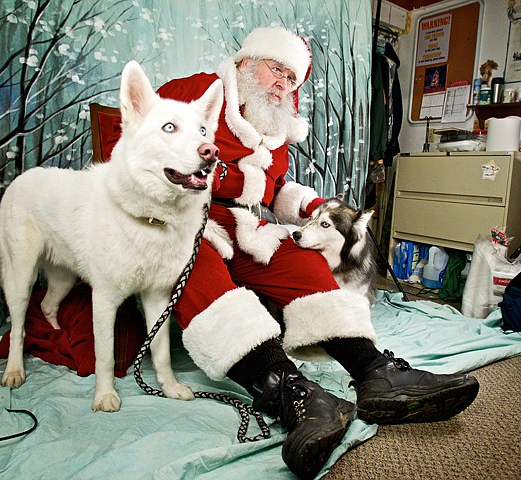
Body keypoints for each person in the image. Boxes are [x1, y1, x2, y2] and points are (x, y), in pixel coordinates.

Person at [157, 26, 479, 479]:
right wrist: (207, 186)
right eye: (276, 69)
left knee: (303, 259)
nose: (282, 85)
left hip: (241, 224)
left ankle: (373, 372)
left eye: (292, 79)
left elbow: (273, 188)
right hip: (183, 219)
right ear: (248, 62)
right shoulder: (196, 91)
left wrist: (313, 205)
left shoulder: (273, 126)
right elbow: (136, 143)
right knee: (192, 267)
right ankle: (294, 393)